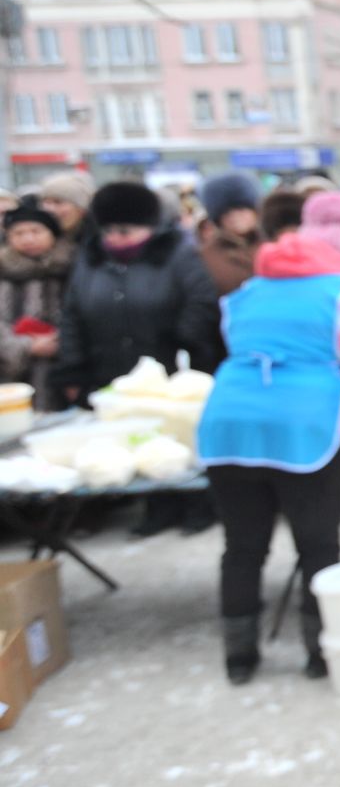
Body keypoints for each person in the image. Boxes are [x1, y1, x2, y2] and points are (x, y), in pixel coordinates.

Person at [198, 191, 340, 685]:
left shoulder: (248, 291)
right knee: (317, 544)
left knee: (242, 545)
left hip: (228, 424)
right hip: (305, 428)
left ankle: (240, 656)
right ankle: (319, 651)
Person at [53, 181, 223, 535]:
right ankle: (157, 508)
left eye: (126, 231)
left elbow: (201, 299)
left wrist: (185, 338)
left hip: (170, 365)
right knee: (135, 438)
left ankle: (197, 506)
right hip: (112, 367)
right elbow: (72, 315)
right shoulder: (91, 258)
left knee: (179, 437)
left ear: (149, 227)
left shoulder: (176, 253)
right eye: (109, 231)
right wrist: (73, 367)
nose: (116, 238)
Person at [0, 204, 72, 409]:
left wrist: (60, 342)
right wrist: (25, 347)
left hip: (63, 372)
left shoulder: (72, 268)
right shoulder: (3, 271)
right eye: (18, 233)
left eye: (36, 231)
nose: (28, 239)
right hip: (10, 377)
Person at [196, 171, 263, 297]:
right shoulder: (204, 256)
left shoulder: (273, 246)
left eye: (241, 209)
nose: (235, 217)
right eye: (226, 213)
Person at [33, 171, 95, 242]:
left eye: (58, 202)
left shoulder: (96, 242)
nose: (49, 209)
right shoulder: (37, 244)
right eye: (46, 202)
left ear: (81, 209)